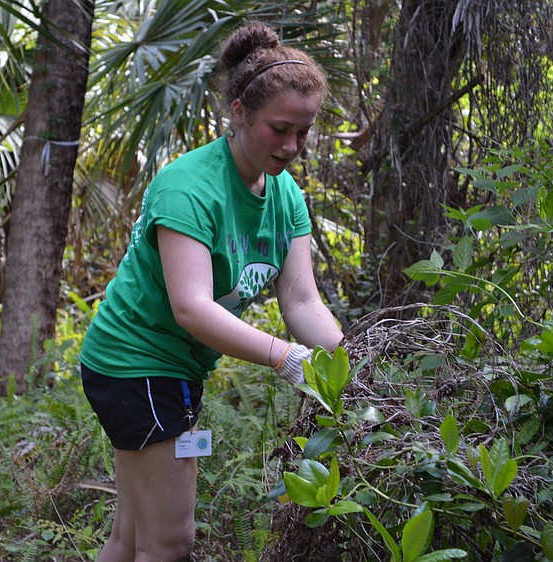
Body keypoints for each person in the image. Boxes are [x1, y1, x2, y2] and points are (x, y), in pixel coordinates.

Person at [78, 20, 344, 562]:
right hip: (137, 366)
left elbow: (301, 301)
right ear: (239, 111)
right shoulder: (188, 187)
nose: (293, 146)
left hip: (173, 373)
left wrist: (344, 364)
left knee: (130, 539)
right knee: (169, 543)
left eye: (304, 131)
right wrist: (285, 357)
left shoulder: (285, 194)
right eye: (280, 129)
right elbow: (191, 308)